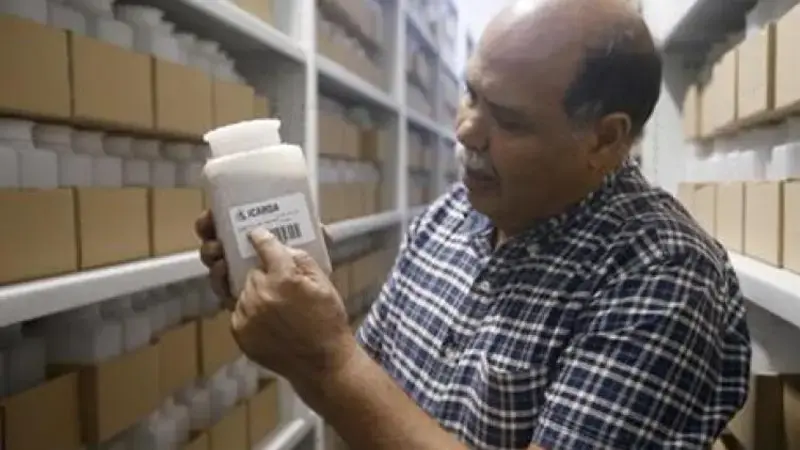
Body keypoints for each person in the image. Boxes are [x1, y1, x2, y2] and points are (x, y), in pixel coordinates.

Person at [196, 0, 751, 448]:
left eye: (507, 119)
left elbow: (343, 377)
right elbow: (363, 401)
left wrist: (327, 358)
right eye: (471, 94)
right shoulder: (448, 219)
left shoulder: (664, 275)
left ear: (604, 139)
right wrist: (290, 318)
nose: (465, 130)